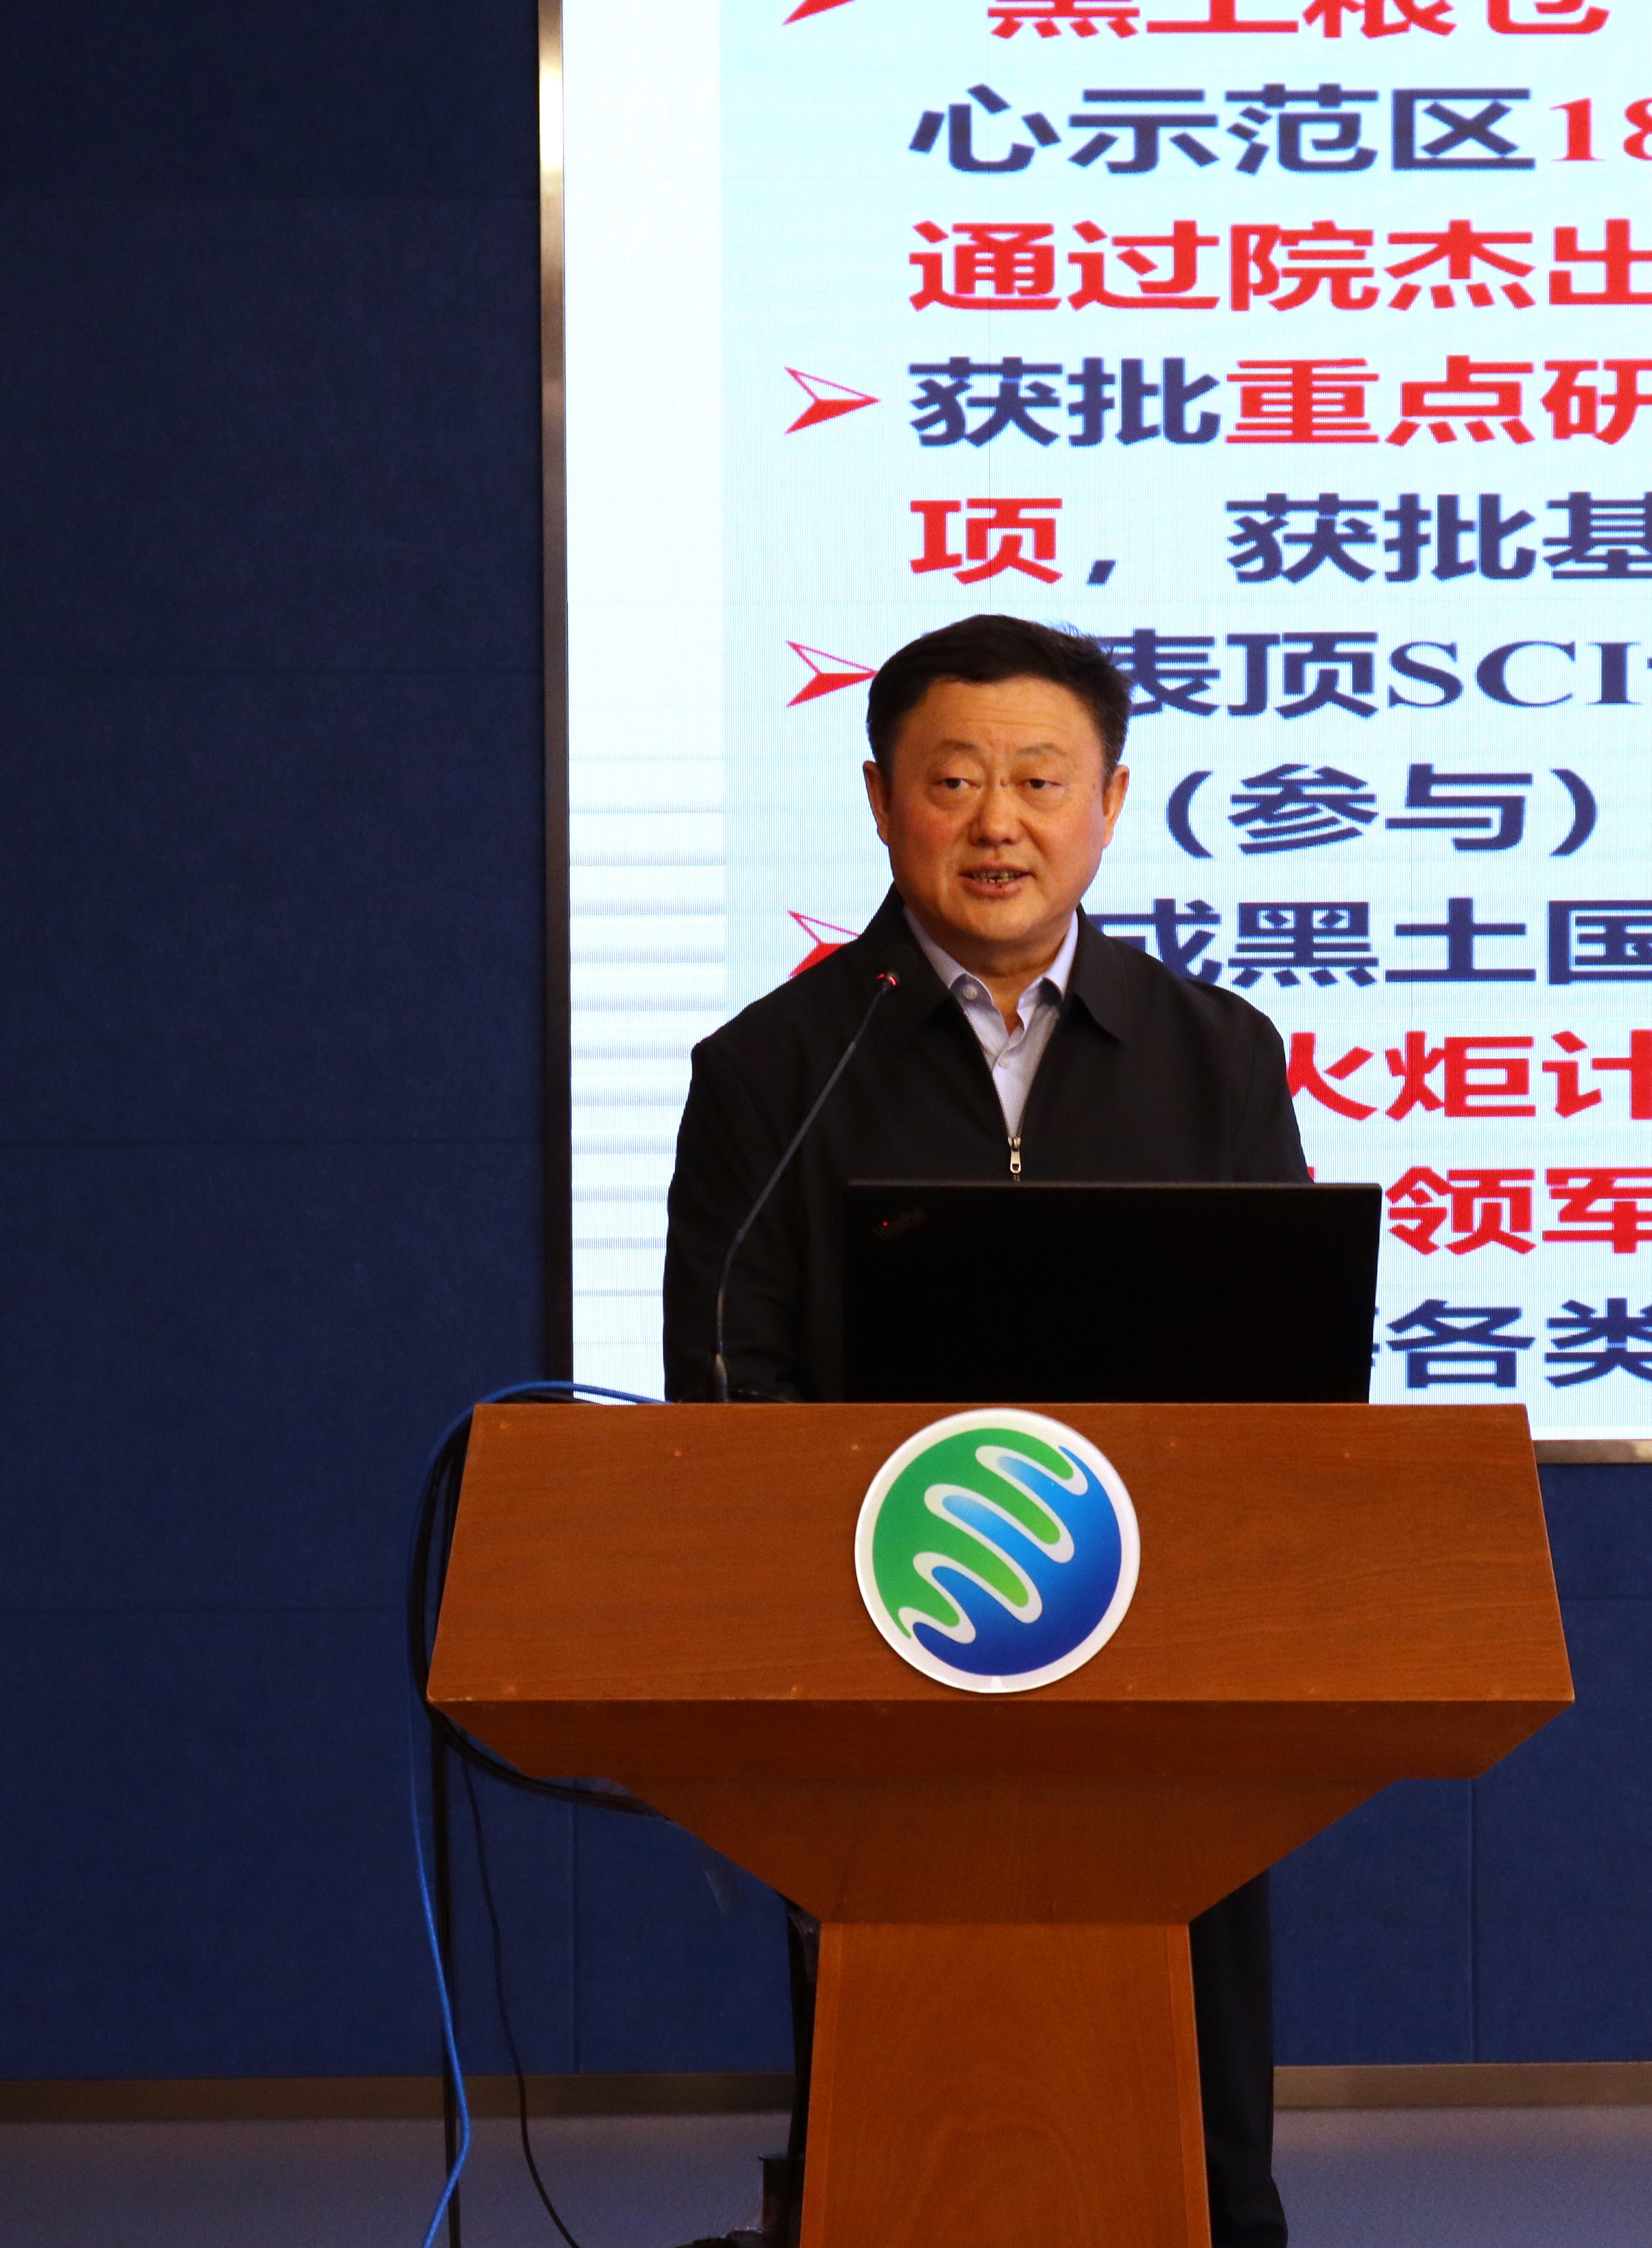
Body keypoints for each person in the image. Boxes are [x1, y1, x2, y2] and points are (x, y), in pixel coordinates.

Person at [660, 615, 1304, 2248]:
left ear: (1112, 803)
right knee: (903, 2110)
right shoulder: (773, 1068)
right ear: (882, 800)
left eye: (1040, 780)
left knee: (1192, 2089)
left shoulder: (1215, 1052)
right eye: (952, 780)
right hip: (887, 1647)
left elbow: (1282, 1380)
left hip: (1165, 1668)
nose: (996, 822)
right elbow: (724, 1375)